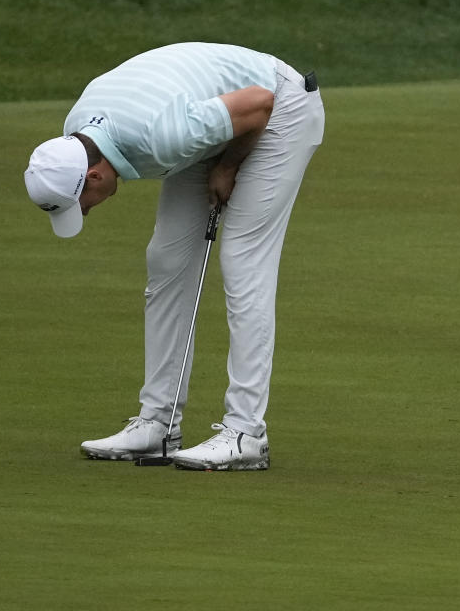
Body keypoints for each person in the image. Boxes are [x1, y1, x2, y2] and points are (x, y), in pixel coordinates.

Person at [23, 42, 324, 470]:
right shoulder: (78, 131)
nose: (86, 210)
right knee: (167, 260)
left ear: (94, 174)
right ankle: (157, 422)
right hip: (211, 112)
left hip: (280, 106)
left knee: (243, 261)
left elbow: (259, 104)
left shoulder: (160, 136)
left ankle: (246, 432)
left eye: (82, 203)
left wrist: (228, 165)